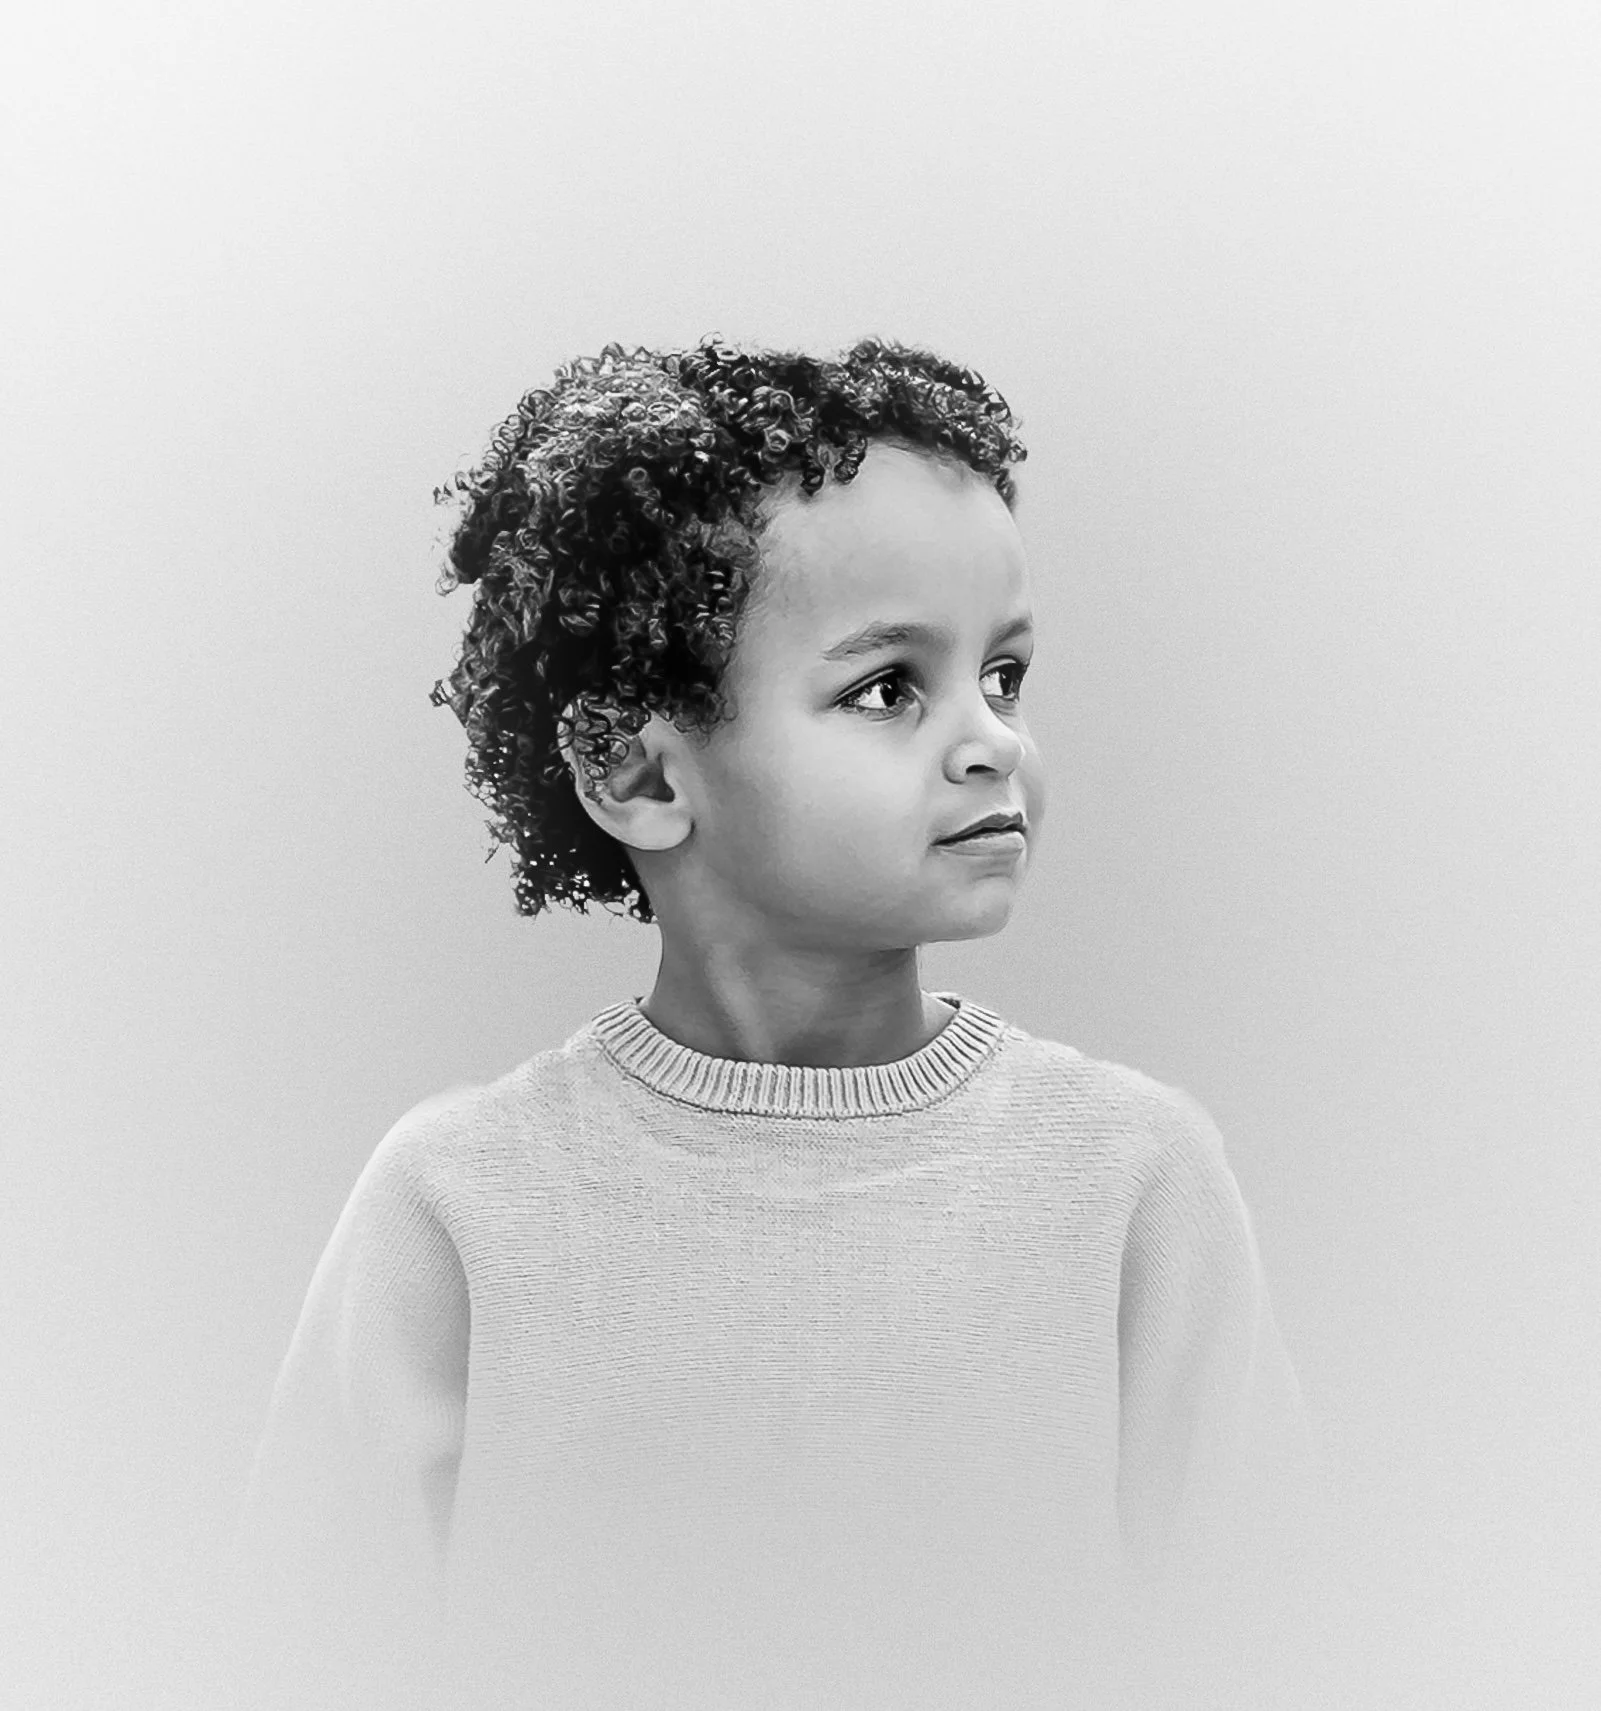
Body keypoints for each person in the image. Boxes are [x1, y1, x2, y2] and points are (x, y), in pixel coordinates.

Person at [224, 338, 1332, 1710]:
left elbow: (1277, 1645)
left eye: (1009, 673)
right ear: (632, 766)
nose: (992, 739)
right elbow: (295, 1653)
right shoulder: (457, 1205)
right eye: (890, 688)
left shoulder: (1134, 1180)